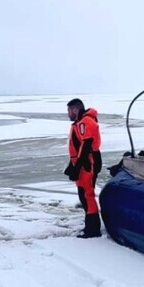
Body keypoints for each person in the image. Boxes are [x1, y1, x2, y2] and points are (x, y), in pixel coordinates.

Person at [64, 98, 102, 238]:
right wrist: (71, 166)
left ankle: (93, 229)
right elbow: (77, 147)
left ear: (75, 109)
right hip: (81, 163)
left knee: (87, 196)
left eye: (68, 110)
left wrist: (77, 167)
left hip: (87, 163)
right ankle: (89, 226)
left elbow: (86, 147)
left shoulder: (86, 122)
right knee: (83, 195)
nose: (68, 114)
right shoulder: (79, 123)